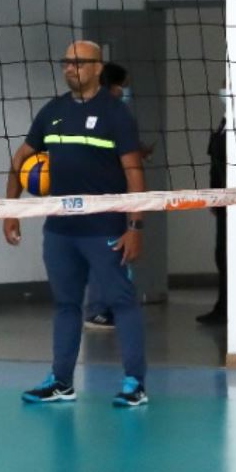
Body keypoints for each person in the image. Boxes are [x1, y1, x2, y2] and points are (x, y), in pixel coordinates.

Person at [4, 39, 150, 407]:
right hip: (60, 230)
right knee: (65, 304)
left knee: (121, 302)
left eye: (79, 62)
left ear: (98, 68)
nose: (70, 68)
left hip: (105, 228)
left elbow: (134, 172)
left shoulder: (116, 114)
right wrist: (10, 209)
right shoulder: (52, 111)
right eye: (66, 62)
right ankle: (61, 381)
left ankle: (135, 383)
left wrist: (135, 227)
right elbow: (21, 159)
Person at [86, 62, 153, 330]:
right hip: (103, 196)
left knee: (109, 252)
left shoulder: (108, 113)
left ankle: (105, 307)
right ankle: (99, 310)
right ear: (113, 87)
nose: (126, 92)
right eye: (123, 87)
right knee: (108, 252)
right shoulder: (109, 112)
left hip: (110, 195)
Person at [197, 105, 227, 326]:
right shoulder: (223, 122)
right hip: (221, 200)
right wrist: (212, 195)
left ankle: (226, 308)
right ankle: (222, 307)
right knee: (221, 254)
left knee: (227, 255)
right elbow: (213, 165)